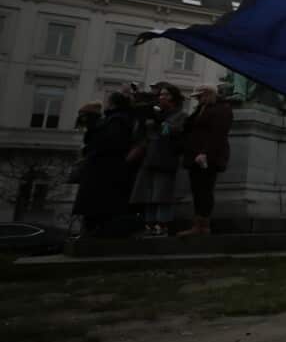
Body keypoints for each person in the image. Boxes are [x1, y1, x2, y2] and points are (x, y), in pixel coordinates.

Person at [71, 93, 135, 237]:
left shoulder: (117, 120)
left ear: (112, 104)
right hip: (100, 168)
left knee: (98, 205)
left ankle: (95, 230)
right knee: (94, 205)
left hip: (104, 170)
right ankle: (92, 229)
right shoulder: (112, 119)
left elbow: (111, 142)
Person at [128, 83, 188, 237]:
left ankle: (162, 225)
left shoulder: (181, 115)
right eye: (161, 95)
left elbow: (174, 132)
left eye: (166, 94)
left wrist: (158, 124)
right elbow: (144, 135)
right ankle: (149, 225)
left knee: (162, 195)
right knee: (148, 194)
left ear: (174, 98)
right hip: (150, 157)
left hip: (166, 159)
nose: (162, 97)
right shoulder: (155, 113)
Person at [178, 84, 232, 236]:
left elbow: (218, 134)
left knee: (205, 190)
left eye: (200, 97)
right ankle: (198, 224)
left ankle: (203, 225)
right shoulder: (202, 109)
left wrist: (205, 153)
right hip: (195, 155)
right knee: (197, 190)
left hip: (209, 157)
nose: (198, 100)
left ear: (208, 95)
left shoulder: (222, 109)